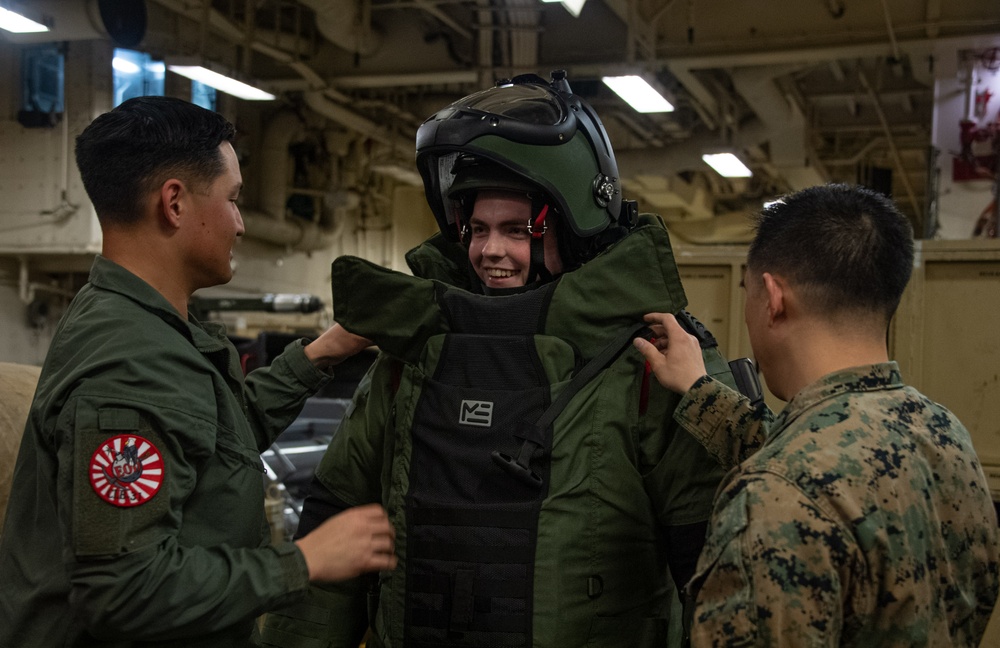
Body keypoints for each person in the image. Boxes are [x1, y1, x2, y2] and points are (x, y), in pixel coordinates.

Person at [261, 72, 738, 648]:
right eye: (477, 229)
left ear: (574, 226)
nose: (492, 252)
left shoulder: (651, 360)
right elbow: (334, 527)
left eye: (519, 230)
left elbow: (713, 567)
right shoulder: (415, 353)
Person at [0, 96, 396, 648]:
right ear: (175, 203)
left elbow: (213, 444)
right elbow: (124, 590)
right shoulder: (132, 362)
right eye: (233, 199)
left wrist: (325, 350)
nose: (239, 222)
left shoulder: (138, 323)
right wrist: (304, 560)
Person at [633, 184, 1000, 646]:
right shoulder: (945, 434)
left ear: (772, 297)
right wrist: (701, 390)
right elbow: (820, 460)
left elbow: (799, 478)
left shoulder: (771, 499)